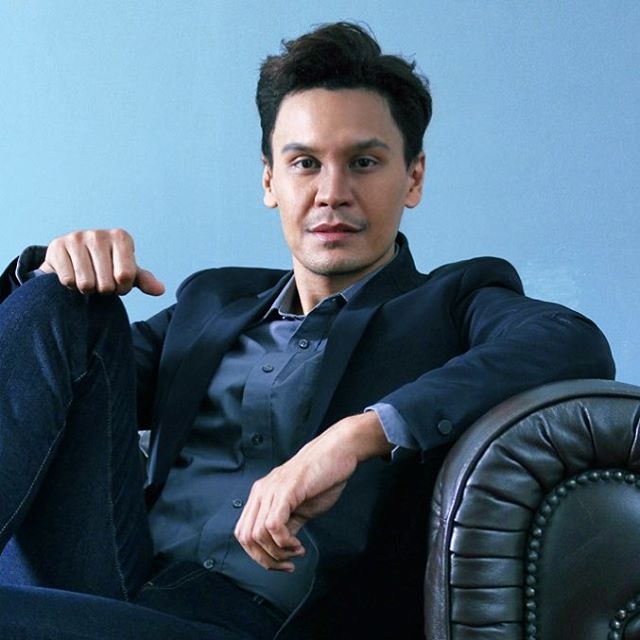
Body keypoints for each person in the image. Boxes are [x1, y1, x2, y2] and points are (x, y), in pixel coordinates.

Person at [0, 21, 614, 640]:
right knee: (66, 300)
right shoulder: (211, 302)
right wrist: (51, 271)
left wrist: (356, 436)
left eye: (364, 162)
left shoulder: (450, 303)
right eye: (305, 163)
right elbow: (43, 384)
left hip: (257, 623)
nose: (332, 193)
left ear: (414, 178)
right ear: (270, 180)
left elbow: (570, 340)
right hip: (107, 585)